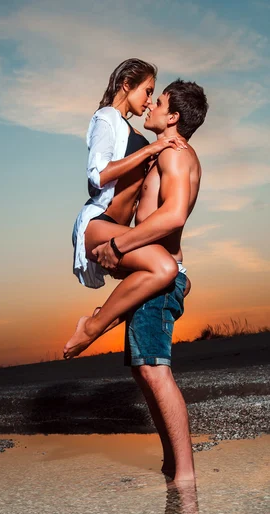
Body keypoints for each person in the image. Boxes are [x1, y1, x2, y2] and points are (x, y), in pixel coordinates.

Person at [78, 79, 209, 482]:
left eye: (160, 101)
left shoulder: (177, 157)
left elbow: (173, 217)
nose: (150, 104)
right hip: (154, 277)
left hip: (163, 279)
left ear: (172, 118)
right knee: (144, 370)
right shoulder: (162, 154)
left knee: (154, 370)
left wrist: (117, 246)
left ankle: (184, 477)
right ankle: (173, 469)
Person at [64, 59, 188, 360]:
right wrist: (150, 149)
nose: (148, 102)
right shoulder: (106, 118)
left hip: (120, 231)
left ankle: (98, 322)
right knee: (164, 268)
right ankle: (92, 328)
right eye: (147, 92)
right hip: (98, 224)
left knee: (175, 279)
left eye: (152, 96)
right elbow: (98, 175)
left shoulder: (133, 132)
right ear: (127, 84)